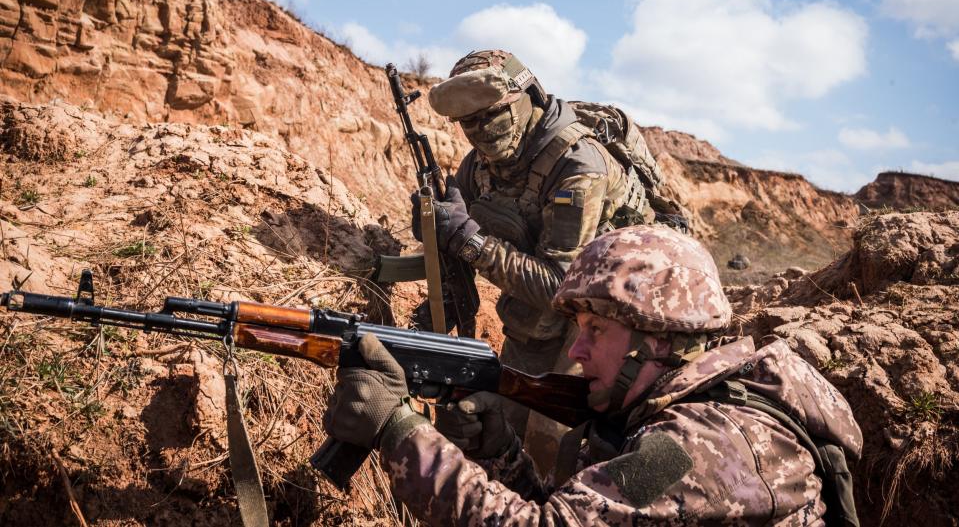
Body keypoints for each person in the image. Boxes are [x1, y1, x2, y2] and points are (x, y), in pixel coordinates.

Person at [324, 225, 863, 525]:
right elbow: (574, 512)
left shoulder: (700, 447)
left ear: (659, 337)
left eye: (597, 330)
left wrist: (398, 429)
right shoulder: (665, 416)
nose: (577, 350)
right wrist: (501, 454)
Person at [411, 49, 677, 474]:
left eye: (492, 116)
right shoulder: (480, 166)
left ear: (526, 97)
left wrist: (469, 241)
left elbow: (559, 285)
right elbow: (456, 234)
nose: (480, 132)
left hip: (612, 318)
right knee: (500, 431)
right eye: (467, 123)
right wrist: (434, 229)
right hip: (536, 318)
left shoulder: (577, 165)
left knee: (553, 448)